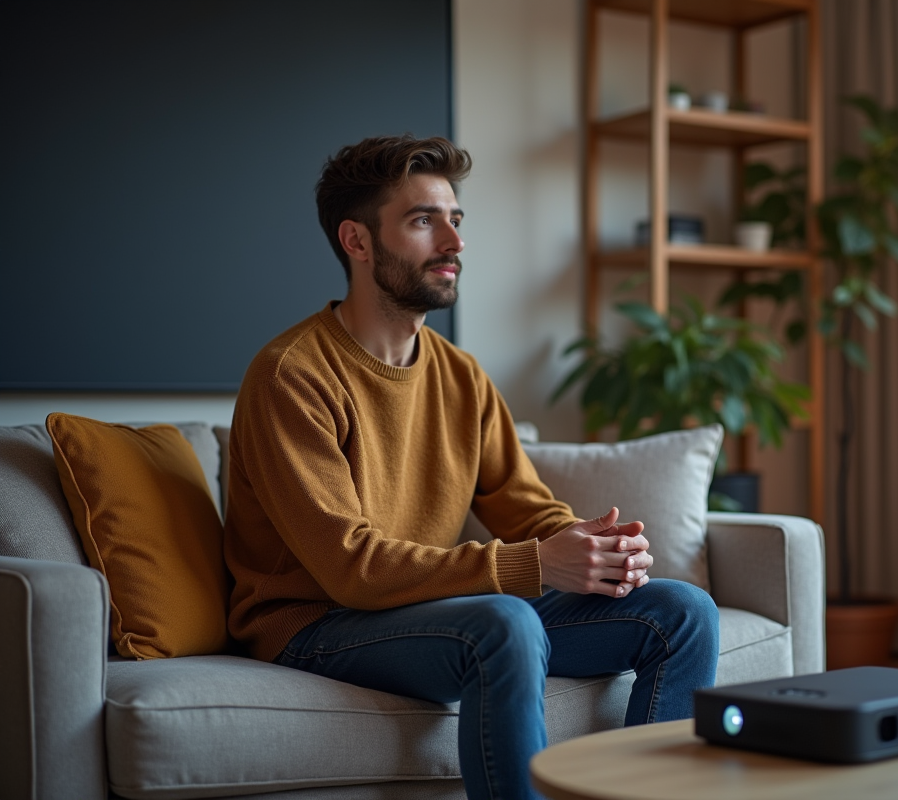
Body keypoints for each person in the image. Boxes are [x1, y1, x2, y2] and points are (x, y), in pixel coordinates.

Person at [224, 134, 720, 800]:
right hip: (316, 622)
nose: (454, 242)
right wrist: (537, 565)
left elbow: (524, 505)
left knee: (683, 611)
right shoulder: (292, 375)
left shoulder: (460, 376)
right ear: (358, 241)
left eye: (456, 219)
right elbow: (351, 570)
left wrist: (595, 547)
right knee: (504, 622)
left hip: (422, 609)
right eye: (423, 220)